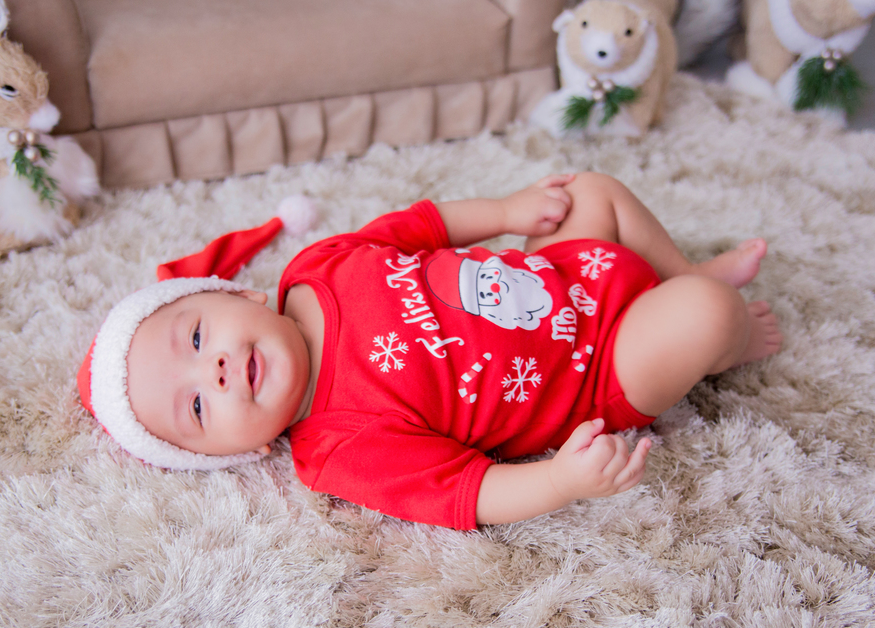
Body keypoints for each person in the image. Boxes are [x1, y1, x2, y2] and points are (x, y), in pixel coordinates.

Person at [79, 172, 782, 529]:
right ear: (245, 451)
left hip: (563, 272)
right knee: (706, 315)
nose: (215, 370)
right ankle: (728, 334)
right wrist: (561, 482)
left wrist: (506, 212)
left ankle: (685, 270)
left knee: (589, 192)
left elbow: (418, 228)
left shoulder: (316, 267)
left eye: (196, 337)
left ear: (239, 294)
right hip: (598, 370)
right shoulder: (338, 447)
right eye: (198, 407)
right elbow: (463, 492)